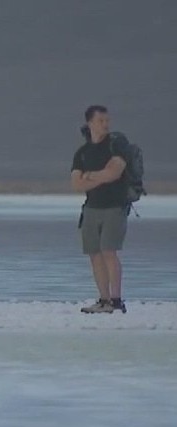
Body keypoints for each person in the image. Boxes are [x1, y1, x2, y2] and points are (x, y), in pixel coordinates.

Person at [70, 105, 130, 314]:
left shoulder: (115, 145)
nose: (105, 124)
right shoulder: (83, 153)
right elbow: (76, 185)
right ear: (90, 123)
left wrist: (89, 176)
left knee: (109, 251)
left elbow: (114, 173)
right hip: (91, 208)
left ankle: (116, 299)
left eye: (107, 120)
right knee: (95, 254)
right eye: (101, 121)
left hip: (114, 207)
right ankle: (103, 300)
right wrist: (99, 176)